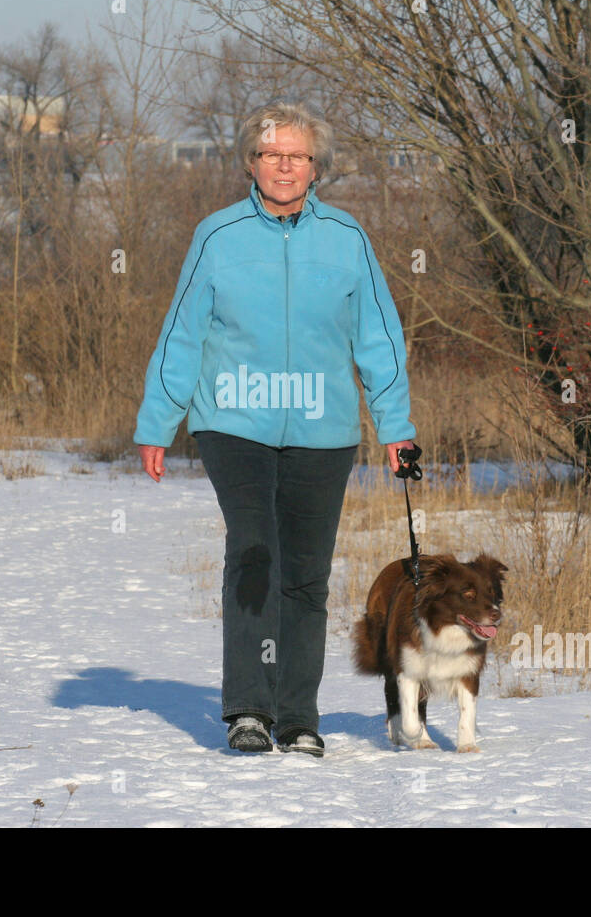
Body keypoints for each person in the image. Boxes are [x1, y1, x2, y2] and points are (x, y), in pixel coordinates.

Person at [134, 101, 416, 756]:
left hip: (324, 427)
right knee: (257, 551)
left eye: (297, 155)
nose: (284, 166)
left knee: (307, 575)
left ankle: (298, 716)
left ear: (316, 167)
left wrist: (397, 428)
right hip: (234, 419)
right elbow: (183, 334)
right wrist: (158, 422)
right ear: (250, 162)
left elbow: (378, 338)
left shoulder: (347, 239)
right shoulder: (217, 235)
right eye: (271, 154)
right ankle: (249, 711)